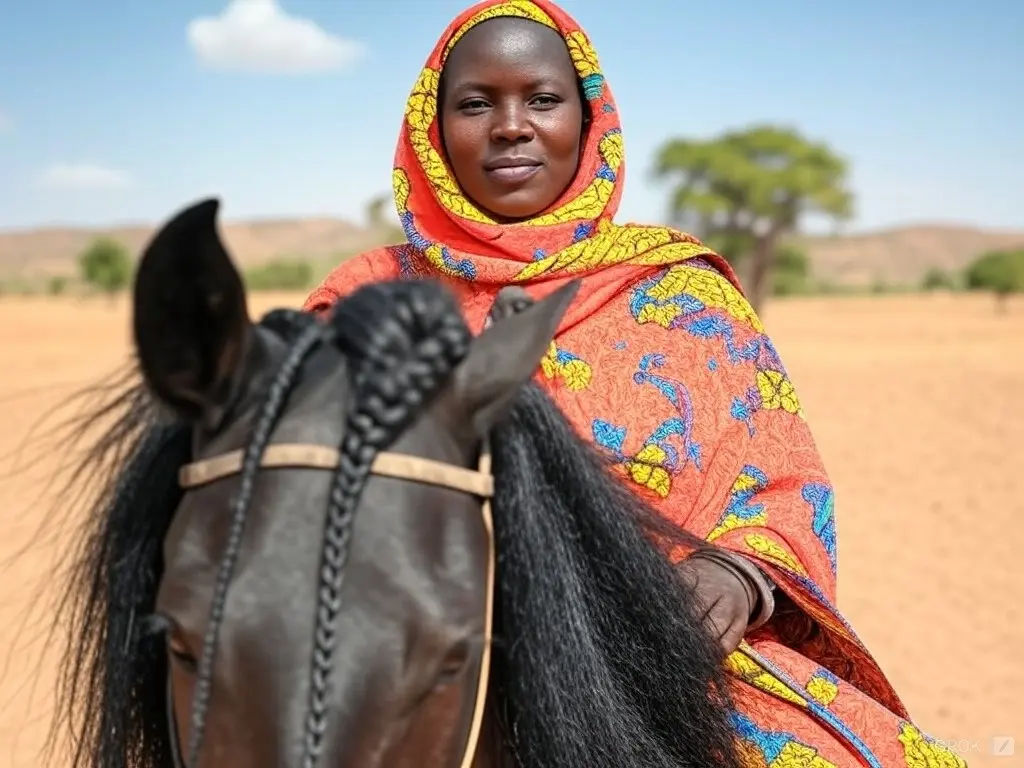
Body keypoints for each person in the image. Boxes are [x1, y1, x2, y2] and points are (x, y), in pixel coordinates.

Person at [304, 1, 964, 764]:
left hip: (664, 657)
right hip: (411, 668)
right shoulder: (361, 304)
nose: (510, 125)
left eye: (543, 100)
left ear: (589, 124)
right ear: (431, 127)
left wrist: (735, 576)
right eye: (476, 103)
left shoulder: (681, 293)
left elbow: (783, 484)